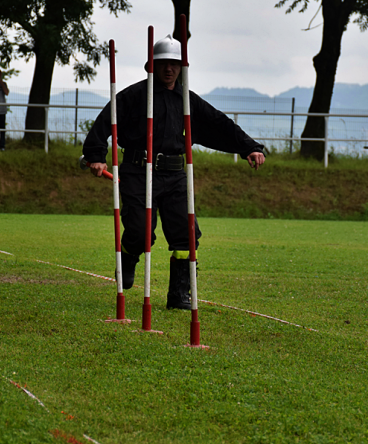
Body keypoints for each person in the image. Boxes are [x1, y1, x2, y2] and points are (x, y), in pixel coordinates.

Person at [83, 35, 265, 310]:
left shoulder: (188, 101)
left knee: (186, 236)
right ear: (152, 66)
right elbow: (106, 121)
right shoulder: (133, 96)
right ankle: (129, 257)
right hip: (137, 171)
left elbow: (220, 125)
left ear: (182, 67)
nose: (169, 69)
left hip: (176, 176)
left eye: (175, 64)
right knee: (140, 230)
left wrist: (249, 147)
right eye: (163, 63)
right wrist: (96, 155)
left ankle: (179, 295)